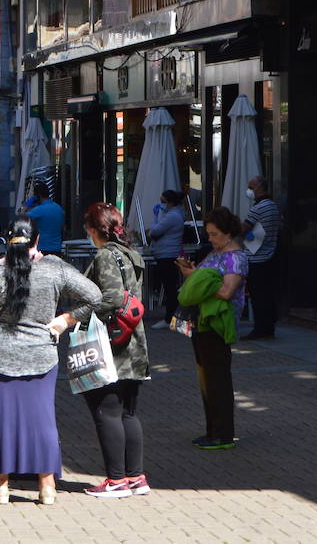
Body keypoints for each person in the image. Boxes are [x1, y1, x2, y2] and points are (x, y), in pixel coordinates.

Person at [0, 217, 102, 505]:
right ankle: (47, 487)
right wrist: (65, 320)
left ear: (7, 239)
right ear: (37, 240)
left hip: (1, 356)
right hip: (42, 354)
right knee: (42, 420)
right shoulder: (55, 268)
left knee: (0, 421)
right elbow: (94, 296)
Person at [79, 202, 151, 497]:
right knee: (128, 413)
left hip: (111, 344)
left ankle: (117, 480)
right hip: (133, 341)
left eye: (87, 227)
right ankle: (135, 478)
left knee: (107, 411)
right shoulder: (131, 254)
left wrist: (75, 316)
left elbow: (111, 297)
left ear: (94, 229)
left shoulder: (106, 255)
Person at [176, 206, 248, 450]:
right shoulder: (215, 253)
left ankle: (222, 434)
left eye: (215, 234)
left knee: (218, 379)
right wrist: (193, 275)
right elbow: (203, 280)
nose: (211, 238)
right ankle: (212, 431)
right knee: (206, 378)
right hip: (202, 321)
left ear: (228, 233)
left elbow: (227, 292)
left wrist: (199, 280)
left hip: (218, 323)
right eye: (209, 234)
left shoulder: (235, 258)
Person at [241, 176, 283, 341]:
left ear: (259, 188)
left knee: (258, 296)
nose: (249, 191)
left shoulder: (258, 208)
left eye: (251, 187)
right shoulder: (273, 206)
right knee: (267, 294)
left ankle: (260, 329)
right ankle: (268, 328)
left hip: (256, 258)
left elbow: (244, 229)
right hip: (270, 255)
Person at [147, 190, 186, 330]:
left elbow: (154, 232)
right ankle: (173, 318)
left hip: (167, 254)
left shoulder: (172, 216)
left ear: (170, 202)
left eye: (163, 201)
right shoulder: (175, 215)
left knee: (170, 288)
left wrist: (155, 216)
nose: (161, 204)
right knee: (170, 288)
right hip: (168, 253)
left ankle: (170, 319)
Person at [24, 182, 65, 256]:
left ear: (38, 196)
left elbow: (21, 219)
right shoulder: (59, 209)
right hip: (57, 248)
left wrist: (26, 206)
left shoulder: (39, 210)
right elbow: (62, 227)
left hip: (42, 248)